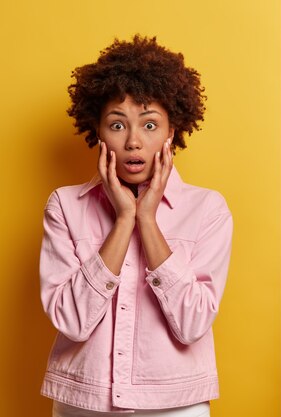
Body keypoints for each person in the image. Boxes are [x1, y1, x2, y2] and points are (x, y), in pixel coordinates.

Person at [39, 36, 232, 417]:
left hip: (176, 406)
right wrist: (124, 218)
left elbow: (192, 323)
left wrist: (147, 218)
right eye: (117, 124)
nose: (133, 142)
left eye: (149, 124)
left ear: (171, 132)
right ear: (97, 130)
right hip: (83, 404)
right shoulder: (64, 206)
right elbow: (71, 321)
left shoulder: (208, 209)